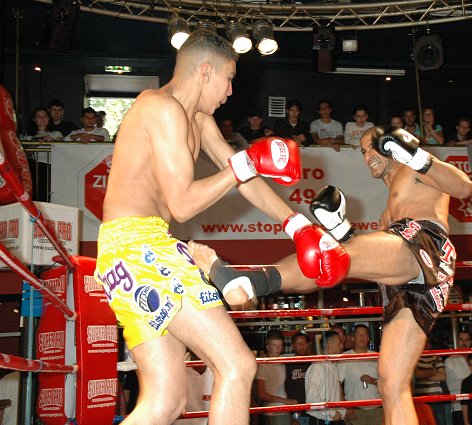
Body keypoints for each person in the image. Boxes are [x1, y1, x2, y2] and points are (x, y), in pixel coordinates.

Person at [94, 29, 348, 425]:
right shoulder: (161, 107)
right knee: (237, 365)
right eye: (228, 79)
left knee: (165, 401)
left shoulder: (197, 118)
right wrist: (246, 163)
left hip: (130, 250)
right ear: (206, 71)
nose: (230, 91)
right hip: (139, 245)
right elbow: (183, 203)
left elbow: (243, 176)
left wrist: (297, 225)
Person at [188, 125, 472, 425]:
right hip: (409, 278)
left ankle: (252, 281)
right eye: (362, 151)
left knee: (328, 253)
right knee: (391, 384)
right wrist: (344, 231)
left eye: (373, 146)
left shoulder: (414, 168)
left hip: (424, 244)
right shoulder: (387, 214)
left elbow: (464, 187)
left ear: (389, 143)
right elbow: (376, 260)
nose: (367, 155)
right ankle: (252, 282)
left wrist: (415, 155)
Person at [337, 324, 383, 425]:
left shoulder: (376, 356)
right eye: (358, 334)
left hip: (377, 409)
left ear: (368, 338)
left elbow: (385, 382)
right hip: (355, 411)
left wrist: (373, 381)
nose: (362, 337)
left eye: (364, 334)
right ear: (353, 338)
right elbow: (337, 384)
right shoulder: (345, 357)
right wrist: (346, 407)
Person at [305, 331, 347, 425]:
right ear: (329, 344)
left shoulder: (332, 365)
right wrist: (332, 413)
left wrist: (342, 411)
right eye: (339, 343)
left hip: (334, 417)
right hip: (322, 419)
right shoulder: (317, 366)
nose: (342, 346)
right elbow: (312, 398)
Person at [255, 330, 295, 425]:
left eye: (280, 345)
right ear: (268, 347)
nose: (278, 348)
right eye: (274, 345)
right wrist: (285, 401)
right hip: (273, 412)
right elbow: (261, 393)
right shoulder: (263, 365)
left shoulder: (282, 362)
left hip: (285, 410)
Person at [414, 340, 447, 425]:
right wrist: (434, 371)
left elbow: (443, 376)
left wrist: (423, 376)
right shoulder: (414, 357)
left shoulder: (436, 356)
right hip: (420, 400)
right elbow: (416, 374)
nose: (425, 344)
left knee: (439, 422)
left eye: (427, 342)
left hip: (436, 399)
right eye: (423, 341)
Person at [446, 330, 472, 425]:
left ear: (470, 342)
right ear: (457, 341)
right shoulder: (450, 360)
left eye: (467, 339)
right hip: (458, 406)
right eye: (461, 339)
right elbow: (454, 385)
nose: (464, 342)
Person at [285, 332, 312, 425]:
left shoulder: (314, 363)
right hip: (296, 410)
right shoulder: (288, 364)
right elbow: (286, 388)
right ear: (293, 346)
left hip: (313, 409)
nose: (301, 345)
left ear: (308, 345)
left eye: (303, 343)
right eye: (298, 343)